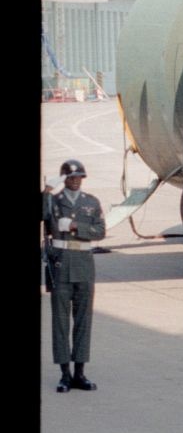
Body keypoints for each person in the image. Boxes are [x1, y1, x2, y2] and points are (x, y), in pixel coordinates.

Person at [42, 159, 105, 392]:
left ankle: (80, 372)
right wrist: (47, 190)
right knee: (60, 321)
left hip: (84, 266)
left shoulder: (91, 202)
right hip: (60, 266)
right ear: (64, 179)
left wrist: (76, 226)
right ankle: (64, 374)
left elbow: (100, 231)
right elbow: (42, 216)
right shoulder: (54, 202)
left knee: (83, 321)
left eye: (79, 177)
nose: (76, 180)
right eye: (71, 177)